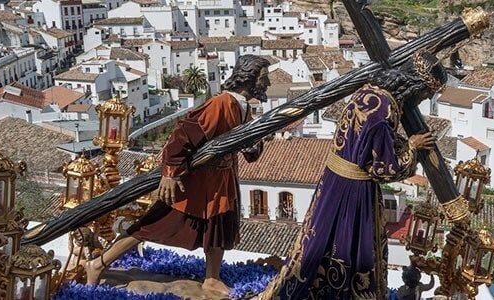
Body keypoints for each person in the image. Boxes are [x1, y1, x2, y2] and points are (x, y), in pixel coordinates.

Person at [259, 50, 447, 299]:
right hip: (355, 194)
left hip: (332, 183)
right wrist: (412, 147)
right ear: (415, 85)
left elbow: (364, 141)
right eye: (426, 93)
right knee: (351, 252)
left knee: (319, 243)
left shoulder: (370, 90)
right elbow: (383, 169)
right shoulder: (386, 110)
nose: (424, 99)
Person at [84, 55, 271, 294]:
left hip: (220, 184)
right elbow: (183, 134)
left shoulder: (242, 108)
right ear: (250, 77)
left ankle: (212, 278)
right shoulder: (221, 104)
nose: (267, 83)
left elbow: (246, 150)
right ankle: (98, 264)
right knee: (153, 226)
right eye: (264, 78)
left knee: (217, 229)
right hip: (197, 186)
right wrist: (170, 173)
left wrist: (257, 140)